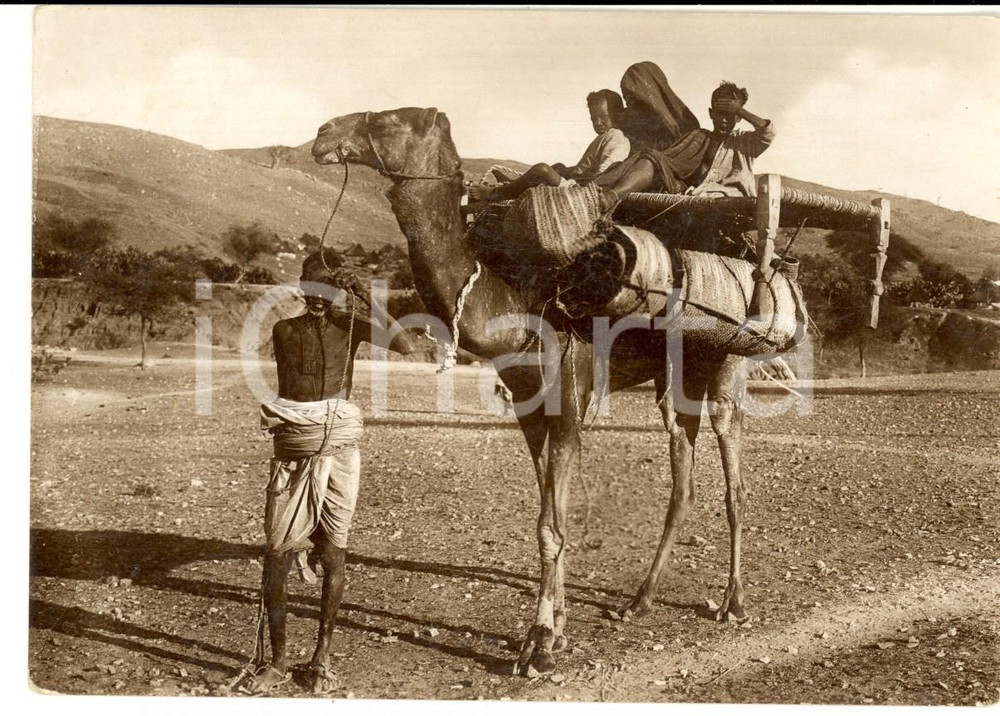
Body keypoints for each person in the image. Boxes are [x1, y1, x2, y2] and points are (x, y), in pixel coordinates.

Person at [245, 250, 416, 695]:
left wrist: (361, 295)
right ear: (302, 288)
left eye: (328, 288)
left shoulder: (351, 326)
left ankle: (321, 656)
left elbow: (406, 344)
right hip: (297, 445)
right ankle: (279, 660)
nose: (319, 296)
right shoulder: (285, 330)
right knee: (277, 554)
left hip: (339, 448)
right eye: (312, 286)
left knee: (335, 552)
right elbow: (296, 396)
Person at [596, 81, 776, 209]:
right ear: (711, 113)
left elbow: (768, 133)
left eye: (730, 116)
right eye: (720, 113)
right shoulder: (698, 137)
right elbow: (671, 163)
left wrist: (740, 109)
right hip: (691, 193)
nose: (723, 120)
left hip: (726, 198)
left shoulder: (744, 143)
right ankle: (612, 196)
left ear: (738, 118)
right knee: (651, 158)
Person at [466, 89, 630, 206]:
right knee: (558, 167)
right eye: (594, 119)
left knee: (542, 170)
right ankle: (513, 186)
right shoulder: (605, 137)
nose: (598, 123)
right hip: (577, 182)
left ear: (616, 115)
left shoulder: (617, 138)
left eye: (603, 117)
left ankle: (495, 194)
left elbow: (606, 174)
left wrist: (577, 185)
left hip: (582, 191)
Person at [616, 61, 700, 153]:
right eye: (626, 97)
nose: (629, 103)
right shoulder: (627, 124)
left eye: (634, 98)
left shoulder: (688, 124)